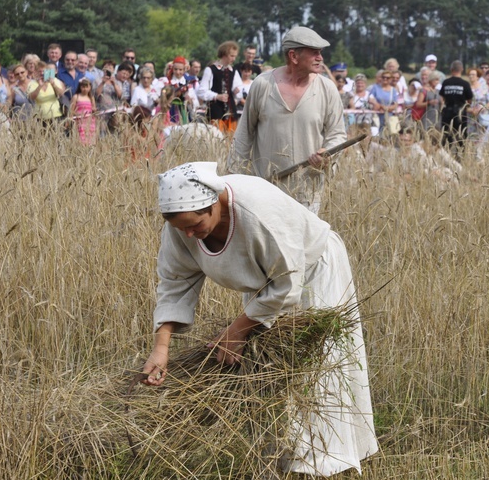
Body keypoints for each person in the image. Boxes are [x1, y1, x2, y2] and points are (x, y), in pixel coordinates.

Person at [141, 162, 378, 477]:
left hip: (311, 275)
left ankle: (323, 462)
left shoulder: (257, 213)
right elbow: (174, 282)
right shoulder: (182, 224)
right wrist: (161, 347)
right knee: (268, 375)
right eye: (179, 227)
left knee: (315, 374)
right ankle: (282, 461)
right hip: (264, 290)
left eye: (195, 224)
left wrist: (236, 331)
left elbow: (288, 282)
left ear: (214, 204)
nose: (188, 234)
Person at [228, 27, 346, 215]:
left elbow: (337, 134)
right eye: (314, 52)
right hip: (265, 190)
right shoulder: (263, 85)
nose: (320, 58)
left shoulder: (327, 89)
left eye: (321, 52)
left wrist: (327, 153)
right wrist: (235, 182)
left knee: (303, 244)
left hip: (308, 191)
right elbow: (244, 135)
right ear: (294, 56)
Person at [199, 41, 243, 132]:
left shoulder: (233, 71)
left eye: (235, 56)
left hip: (231, 111)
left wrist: (237, 92)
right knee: (216, 138)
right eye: (231, 56)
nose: (234, 59)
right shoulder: (211, 69)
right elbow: (202, 91)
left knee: (231, 139)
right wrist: (216, 96)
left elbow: (239, 89)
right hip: (216, 111)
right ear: (224, 54)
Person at [439, 60, 473, 160]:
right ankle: (460, 159)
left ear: (451, 69)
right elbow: (469, 100)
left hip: (447, 113)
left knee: (446, 137)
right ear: (462, 69)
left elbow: (442, 97)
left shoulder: (446, 82)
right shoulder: (465, 84)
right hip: (461, 114)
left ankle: (445, 158)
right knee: (461, 138)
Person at [28, 62, 65, 127]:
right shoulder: (32, 83)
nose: (42, 73)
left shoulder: (55, 81)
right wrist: (39, 86)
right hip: (40, 117)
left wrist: (53, 84)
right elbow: (31, 97)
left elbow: (61, 94)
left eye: (44, 71)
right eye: (39, 71)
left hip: (55, 115)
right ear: (35, 72)